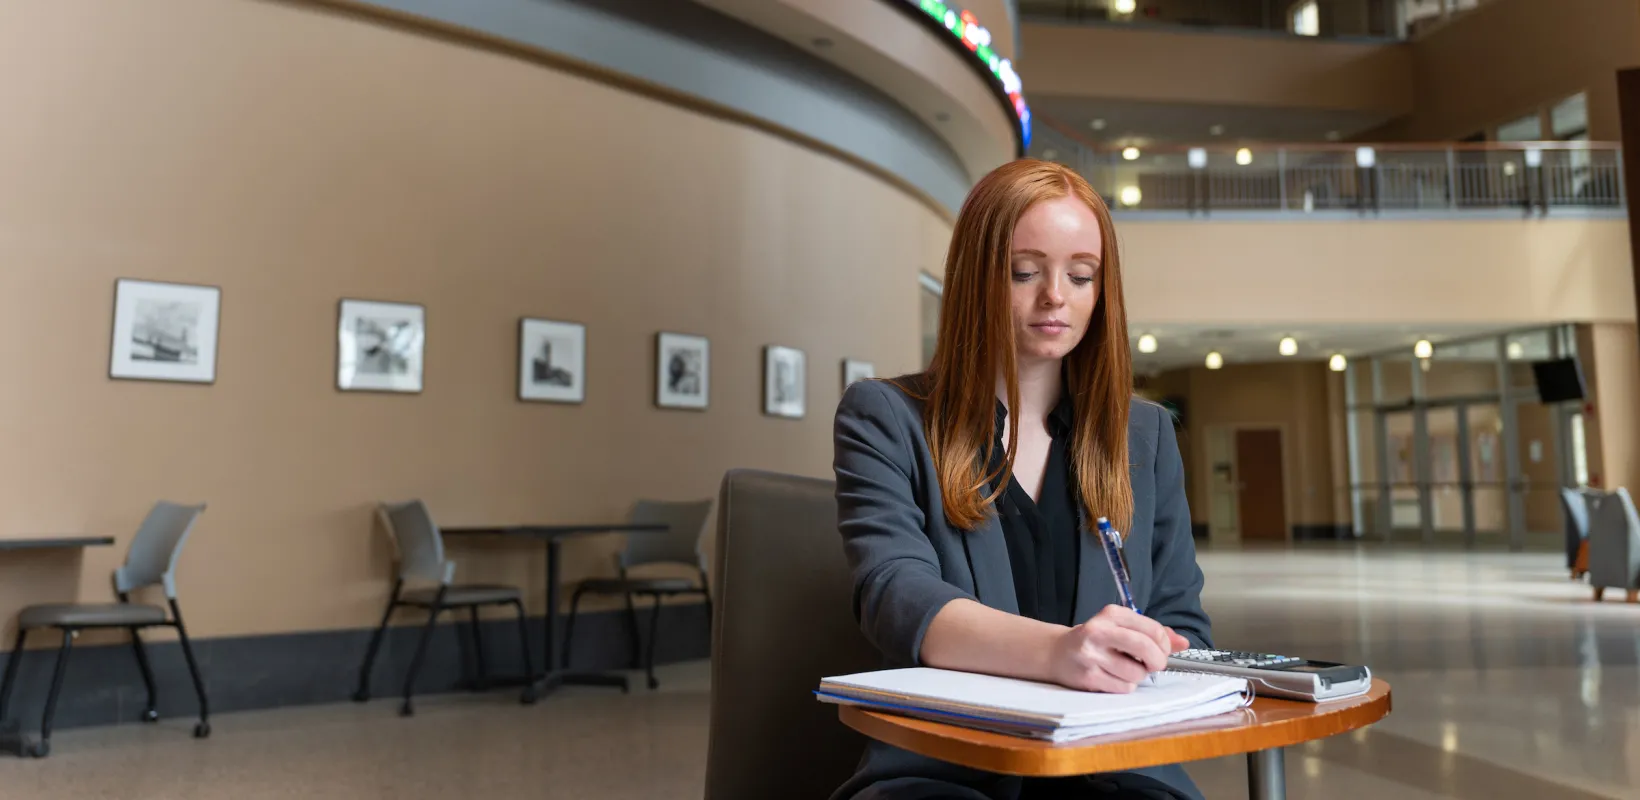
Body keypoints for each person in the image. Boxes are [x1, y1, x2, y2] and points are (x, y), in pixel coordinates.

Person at [831, 159, 1212, 800]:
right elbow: (896, 595)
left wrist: (1151, 649)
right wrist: (1061, 651)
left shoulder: (1143, 435)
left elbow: (1182, 620)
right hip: (945, 765)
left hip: (1112, 765)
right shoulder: (886, 416)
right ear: (976, 278)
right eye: (1023, 272)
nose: (1055, 296)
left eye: (1081, 275)